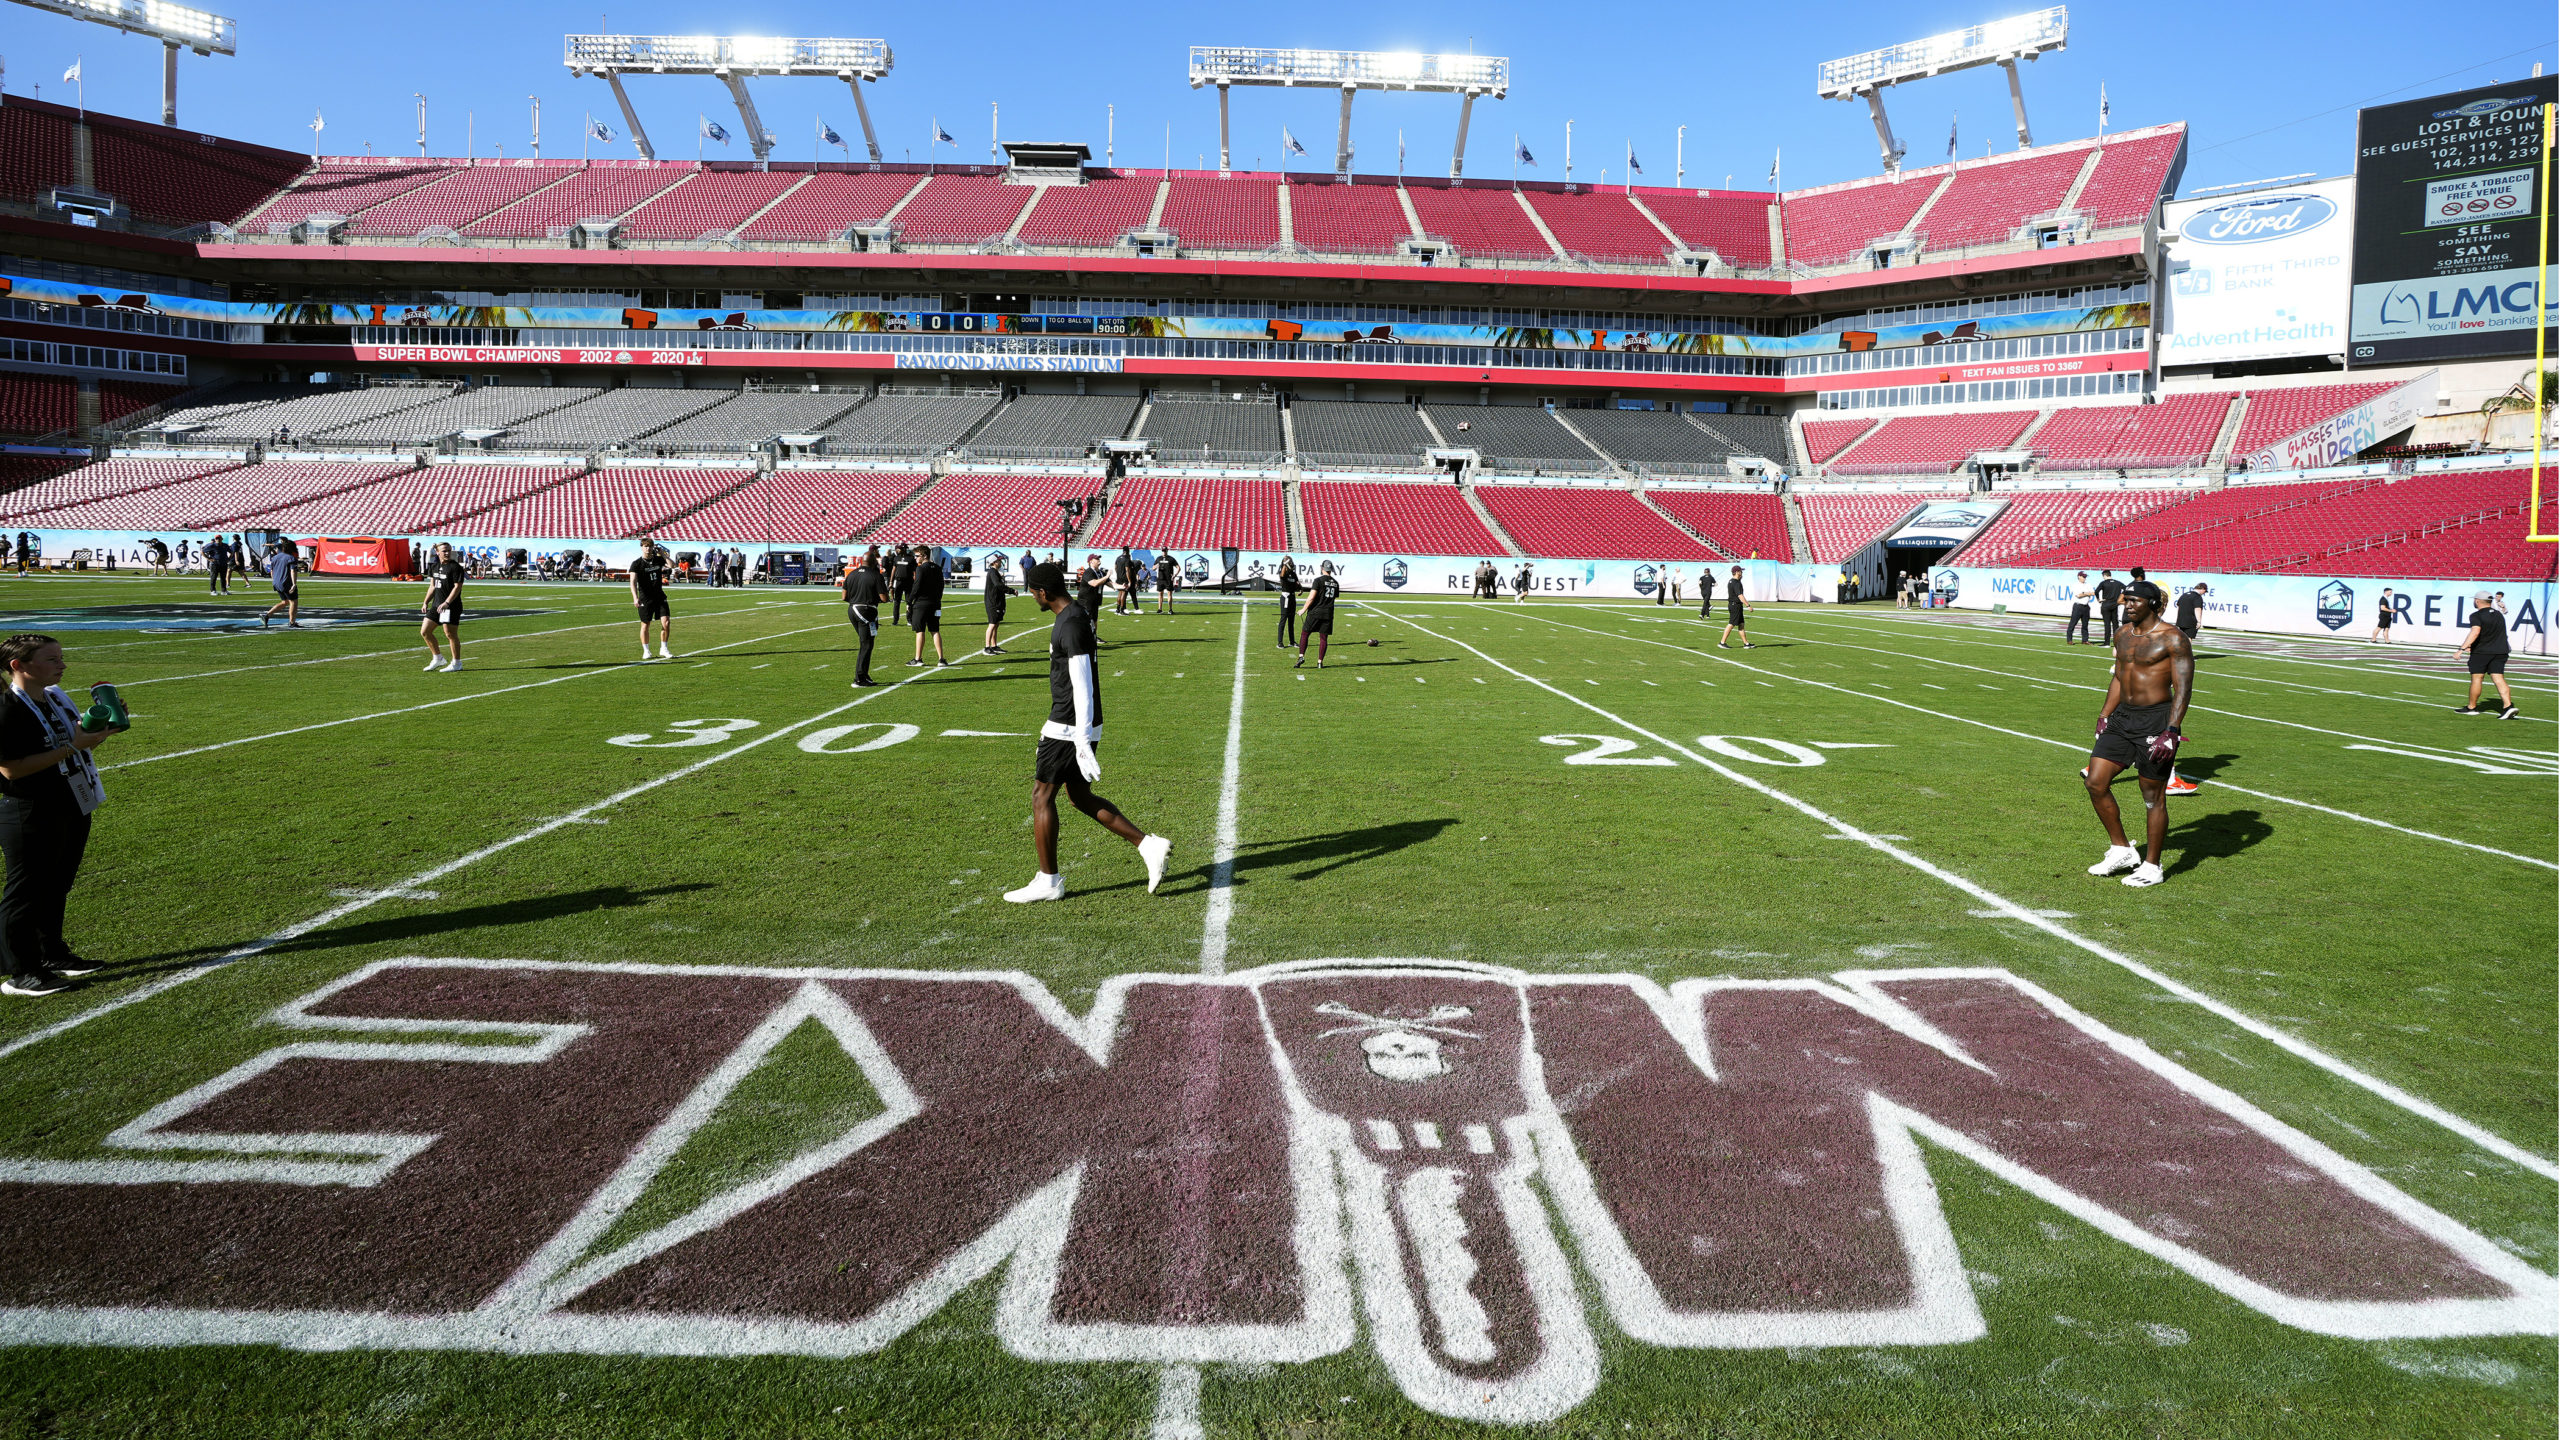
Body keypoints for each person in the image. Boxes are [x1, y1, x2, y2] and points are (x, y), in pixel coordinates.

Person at [1004, 561, 1170, 904]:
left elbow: (1082, 685)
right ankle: (1148, 845)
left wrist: (1080, 739)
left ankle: (1049, 881)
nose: (1030, 595)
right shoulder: (1073, 615)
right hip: (1075, 722)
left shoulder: (1071, 624)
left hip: (1068, 724)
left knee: (1041, 796)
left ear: (1043, 592)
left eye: (1032, 591)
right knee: (1079, 796)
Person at [0, 634, 113, 996]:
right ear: (19, 665)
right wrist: (72, 747)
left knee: (57, 883)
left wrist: (98, 731)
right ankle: (21, 972)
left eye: (61, 658)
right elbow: (11, 769)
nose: (62, 665)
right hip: (28, 807)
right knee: (25, 890)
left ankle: (52, 954)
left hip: (70, 800)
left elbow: (73, 740)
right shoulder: (7, 709)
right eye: (52, 659)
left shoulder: (54, 698)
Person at [2084, 581, 2193, 889]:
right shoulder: (2123, 634)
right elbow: (2120, 677)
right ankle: (2121, 849)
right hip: (2122, 719)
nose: (2127, 605)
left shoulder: (2173, 638)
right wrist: (2104, 715)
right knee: (2095, 781)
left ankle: (2153, 865)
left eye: (2134, 601)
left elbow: (2183, 688)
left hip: (2156, 721)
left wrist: (2171, 730)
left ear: (2152, 604)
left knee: (2152, 797)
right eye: (2125, 600)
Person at [2456, 592, 2519, 718]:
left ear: (2478, 601)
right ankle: (2508, 706)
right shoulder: (2498, 615)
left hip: (2482, 652)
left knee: (2477, 678)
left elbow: (2475, 632)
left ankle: (2472, 707)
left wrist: (2462, 649)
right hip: (2501, 651)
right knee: (2499, 678)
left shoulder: (2476, 615)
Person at [419, 542, 467, 672]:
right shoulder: (434, 566)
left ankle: (457, 663)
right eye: (444, 551)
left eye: (448, 550)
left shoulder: (455, 567)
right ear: (437, 552)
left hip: (450, 606)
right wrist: (425, 602)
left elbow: (457, 587)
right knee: (425, 631)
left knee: (450, 634)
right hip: (436, 605)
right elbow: (432, 586)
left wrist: (447, 602)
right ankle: (438, 658)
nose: (447, 553)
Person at [841, 548, 884, 685]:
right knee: (866, 644)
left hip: (852, 609)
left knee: (865, 642)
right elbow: (884, 597)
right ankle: (859, 678)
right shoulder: (876, 575)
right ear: (873, 562)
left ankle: (864, 674)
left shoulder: (851, 574)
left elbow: (844, 597)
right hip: (866, 610)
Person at [630, 540, 675, 660]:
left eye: (650, 546)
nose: (648, 549)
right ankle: (646, 650)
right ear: (641, 547)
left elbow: (672, 565)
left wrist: (663, 554)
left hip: (659, 596)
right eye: (646, 546)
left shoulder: (658, 559)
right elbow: (633, 582)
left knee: (666, 622)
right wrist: (635, 597)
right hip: (645, 597)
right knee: (645, 624)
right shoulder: (636, 564)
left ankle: (664, 648)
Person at [1295, 560, 1341, 669]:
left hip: (1315, 612)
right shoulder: (1335, 583)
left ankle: (1301, 656)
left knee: (1305, 633)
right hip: (1328, 613)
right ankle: (1320, 662)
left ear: (1322, 568)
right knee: (1323, 638)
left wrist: (1303, 609)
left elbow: (1311, 597)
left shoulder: (1318, 581)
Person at [908, 544, 949, 667]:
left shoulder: (921, 569)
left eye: (917, 556)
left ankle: (918, 659)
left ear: (924, 555)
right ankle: (941, 658)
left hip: (922, 604)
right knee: (935, 630)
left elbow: (917, 586)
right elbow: (941, 586)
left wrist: (909, 601)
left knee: (920, 631)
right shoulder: (937, 568)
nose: (915, 558)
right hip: (935, 603)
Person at [258, 541, 301, 629]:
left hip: (277, 582)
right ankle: (292, 622)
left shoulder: (275, 557)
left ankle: (267, 615)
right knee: (293, 602)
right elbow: (293, 571)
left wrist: (274, 581)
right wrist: (294, 584)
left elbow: (272, 571)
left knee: (285, 602)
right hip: (286, 582)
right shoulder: (291, 558)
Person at [981, 552, 1013, 655]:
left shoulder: (995, 572)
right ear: (994, 562)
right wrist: (1011, 590)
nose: (1000, 562)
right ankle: (987, 647)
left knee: (996, 623)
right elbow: (998, 585)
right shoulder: (992, 572)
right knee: (992, 624)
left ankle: (994, 645)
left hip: (997, 601)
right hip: (993, 602)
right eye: (999, 560)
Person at [1717, 565, 1753, 649]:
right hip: (1735, 605)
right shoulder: (1736, 583)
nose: (1742, 573)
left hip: (1735, 605)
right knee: (1731, 624)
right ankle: (1722, 642)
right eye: (1740, 571)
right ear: (1737, 572)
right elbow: (1740, 596)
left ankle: (1746, 643)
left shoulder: (1732, 581)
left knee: (1741, 624)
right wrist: (1748, 605)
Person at [1276, 556, 1302, 648]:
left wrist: (1300, 589)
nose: (1291, 563)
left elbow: (1297, 583)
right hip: (1285, 597)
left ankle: (1292, 641)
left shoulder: (1293, 573)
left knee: (1291, 621)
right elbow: (1282, 576)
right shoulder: (1284, 572)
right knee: (1283, 619)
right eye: (1289, 562)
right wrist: (1285, 563)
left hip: (1292, 597)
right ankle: (1280, 642)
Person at [2095, 569, 2126, 643]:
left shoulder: (2103, 583)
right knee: (2115, 624)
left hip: (2106, 604)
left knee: (2107, 624)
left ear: (2104, 575)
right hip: (2115, 605)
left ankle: (2107, 642)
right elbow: (2126, 588)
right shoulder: (2118, 583)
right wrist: (2121, 597)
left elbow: (2096, 591)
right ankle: (2117, 641)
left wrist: (2099, 599)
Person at [888, 545, 915, 625]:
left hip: (909, 582)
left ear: (904, 549)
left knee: (909, 602)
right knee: (896, 602)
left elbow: (914, 571)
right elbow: (893, 570)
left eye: (899, 548)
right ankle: (895, 620)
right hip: (899, 581)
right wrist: (891, 581)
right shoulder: (896, 558)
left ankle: (909, 620)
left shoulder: (911, 558)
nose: (897, 550)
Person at [2065, 572, 2094, 645]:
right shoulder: (2075, 585)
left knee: (2085, 624)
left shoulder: (2088, 584)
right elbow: (2078, 595)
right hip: (2078, 606)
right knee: (2073, 623)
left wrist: (2084, 593)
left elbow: (2093, 593)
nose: (2084, 578)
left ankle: (2085, 640)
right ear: (2079, 577)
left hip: (2086, 606)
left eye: (2085, 577)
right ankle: (2069, 639)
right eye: (2083, 577)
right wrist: (2087, 593)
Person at [1114, 546, 1139, 615]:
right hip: (1124, 578)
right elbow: (1127, 570)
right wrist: (1129, 580)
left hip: (1119, 578)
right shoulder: (1127, 559)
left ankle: (1117, 609)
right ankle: (1122, 610)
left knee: (1119, 593)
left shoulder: (1118, 558)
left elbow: (1115, 567)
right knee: (1124, 594)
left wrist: (1118, 574)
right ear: (1128, 551)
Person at [1155, 547, 1179, 614]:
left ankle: (1170, 609)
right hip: (1160, 579)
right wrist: (1156, 566)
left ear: (1167, 551)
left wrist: (1175, 575)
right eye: (1163, 551)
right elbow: (1153, 568)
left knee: (1169, 594)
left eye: (1165, 551)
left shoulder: (1171, 559)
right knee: (1160, 594)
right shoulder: (1158, 558)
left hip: (1168, 579)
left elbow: (1178, 567)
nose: (1164, 552)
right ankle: (1160, 609)